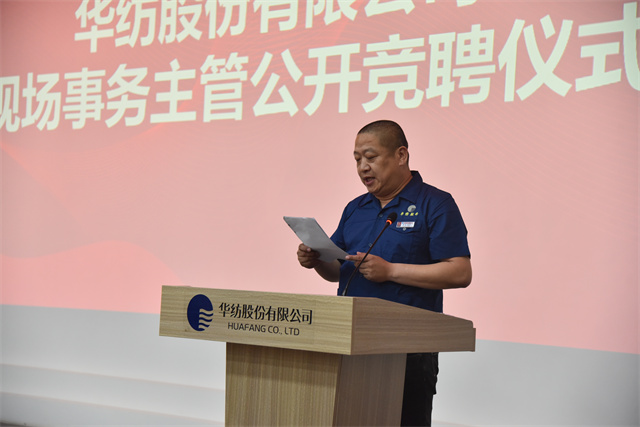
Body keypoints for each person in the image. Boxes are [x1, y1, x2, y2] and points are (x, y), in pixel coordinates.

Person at [297, 120, 471, 426]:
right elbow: (339, 272)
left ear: (401, 155)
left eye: (371, 157)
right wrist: (317, 260)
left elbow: (460, 272)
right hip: (351, 342)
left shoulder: (436, 203)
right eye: (357, 159)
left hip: (408, 350)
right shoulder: (356, 208)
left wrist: (390, 271)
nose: (363, 167)